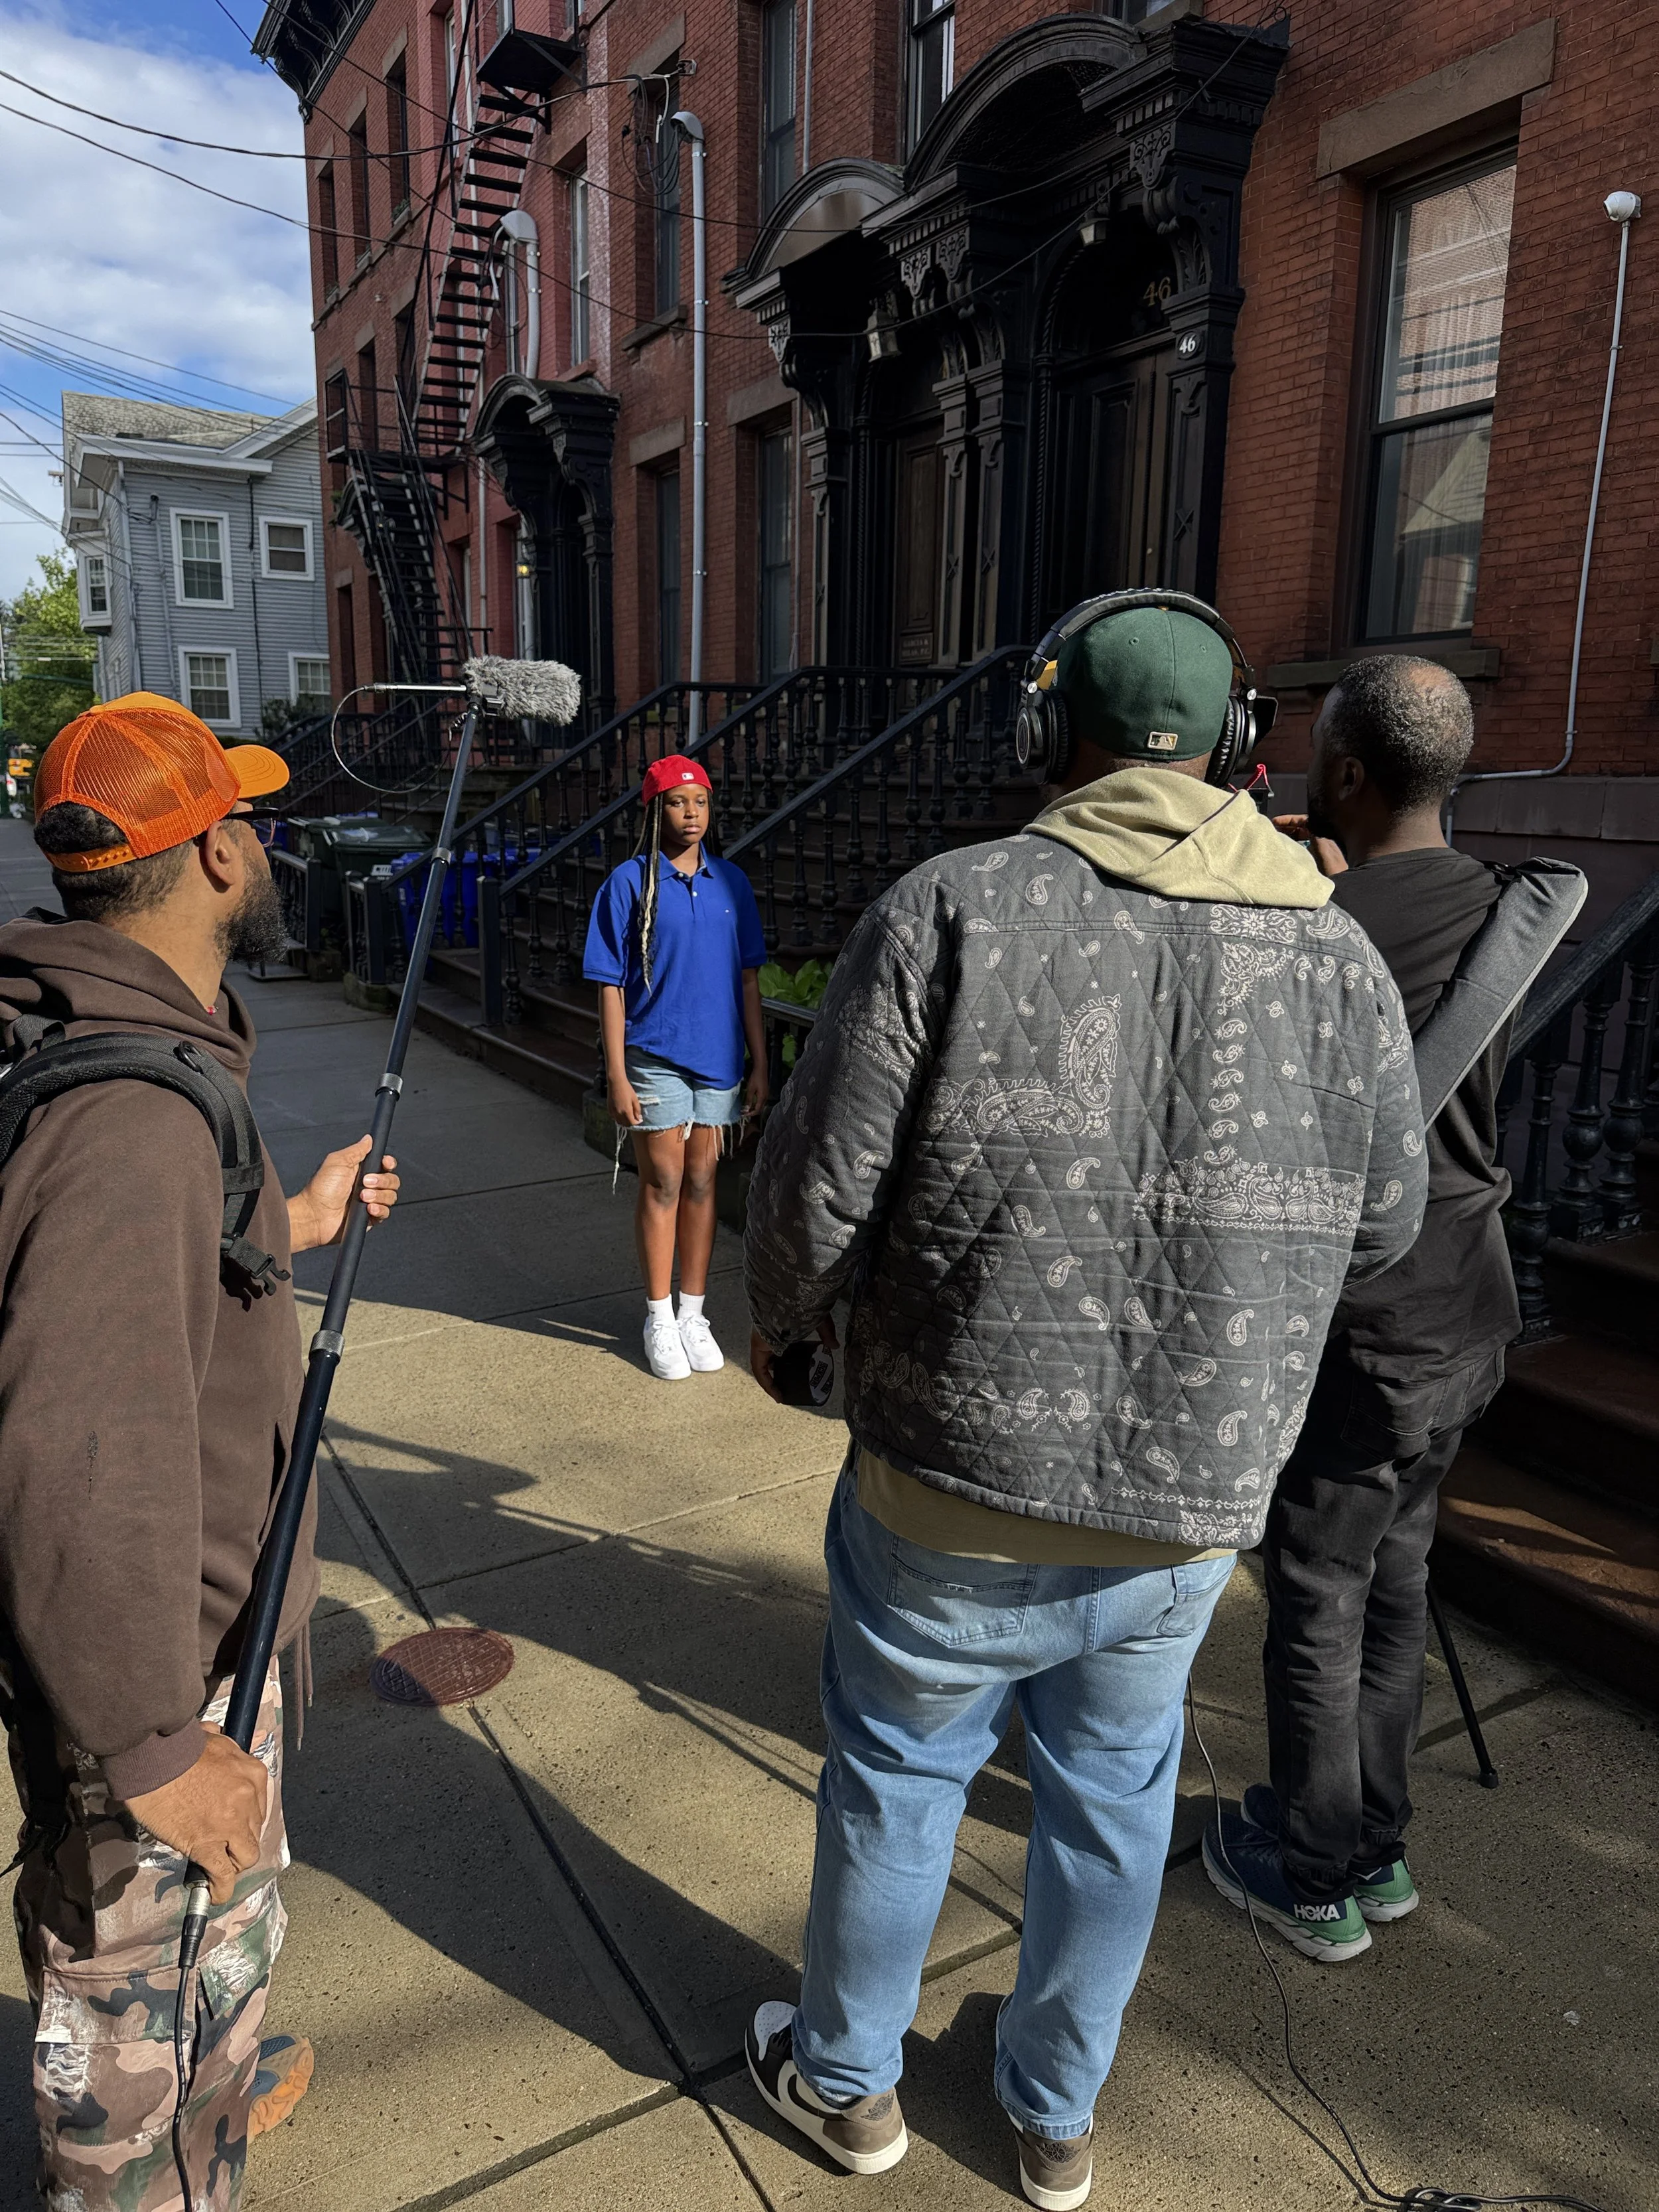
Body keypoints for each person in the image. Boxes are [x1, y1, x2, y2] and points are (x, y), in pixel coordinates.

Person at [742, 603, 1426, 2207]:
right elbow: (1388, 1221)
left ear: (1049, 738)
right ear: (1238, 749)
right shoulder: (1337, 956)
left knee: (898, 1780)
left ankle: (847, 2087)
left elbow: (813, 1197)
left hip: (944, 1477)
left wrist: (783, 1328)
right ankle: (1052, 2118)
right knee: (1114, 1810)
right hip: (1186, 1498)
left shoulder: (950, 907)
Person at [0, 693, 400, 2211]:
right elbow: (75, 1451)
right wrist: (155, 1743)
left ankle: (209, 2078)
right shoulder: (129, 1116)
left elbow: (140, 1283)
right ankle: (163, 2142)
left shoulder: (119, 1044)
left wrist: (285, 1226)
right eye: (252, 818)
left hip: (188, 1646)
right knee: (133, 2013)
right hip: (160, 1676)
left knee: (197, 1965)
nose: (267, 842)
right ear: (219, 854)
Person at [1203, 656, 1567, 1961]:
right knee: (1397, 1581)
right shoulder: (1505, 904)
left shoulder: (1314, 928)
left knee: (1318, 1594)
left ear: (1346, 771)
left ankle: (1312, 1877)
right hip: (1470, 1304)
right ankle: (1373, 1847)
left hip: (1361, 1322)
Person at [584, 754, 768, 1381]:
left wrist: (760, 1063)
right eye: (677, 802)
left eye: (700, 801)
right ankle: (659, 1316)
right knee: (663, 1178)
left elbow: (749, 980)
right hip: (655, 1055)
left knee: (703, 1180)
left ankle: (694, 1313)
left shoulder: (731, 883)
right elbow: (610, 984)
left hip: (719, 1060)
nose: (691, 813)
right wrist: (617, 1074)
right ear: (654, 810)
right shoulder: (628, 883)